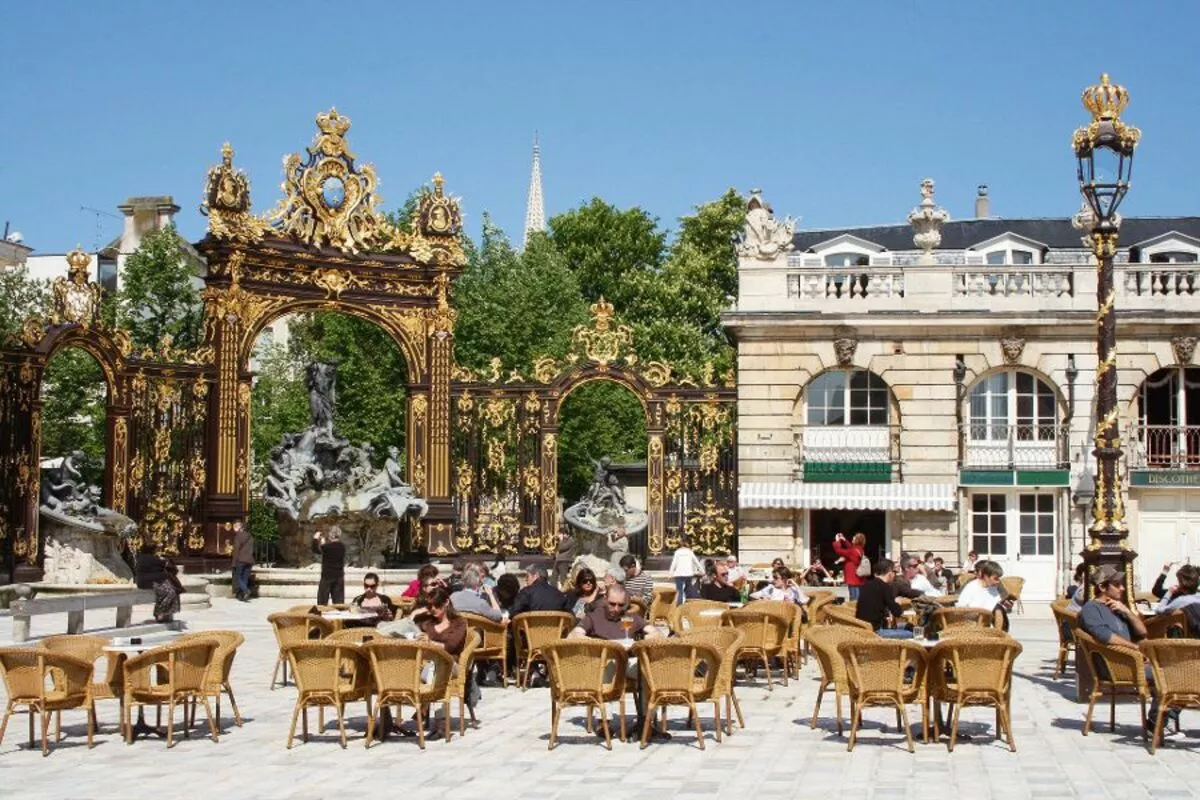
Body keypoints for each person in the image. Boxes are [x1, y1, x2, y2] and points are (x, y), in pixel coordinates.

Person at [569, 584, 662, 641]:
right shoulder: (594, 616)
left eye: (621, 605)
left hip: (627, 661)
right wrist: (602, 644)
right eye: (612, 604)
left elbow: (658, 634)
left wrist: (641, 639)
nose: (616, 609)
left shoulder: (630, 617)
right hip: (602, 661)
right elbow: (573, 635)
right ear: (605, 599)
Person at [855, 558, 911, 638]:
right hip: (875, 631)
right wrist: (897, 603)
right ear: (890, 573)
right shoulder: (885, 587)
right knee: (912, 633)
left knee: (906, 626)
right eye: (894, 572)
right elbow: (897, 613)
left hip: (861, 628)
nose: (895, 575)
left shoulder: (866, 585)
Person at [136, 543, 181, 623]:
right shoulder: (148, 558)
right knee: (170, 591)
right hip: (149, 582)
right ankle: (159, 612)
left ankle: (164, 613)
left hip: (147, 581)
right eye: (155, 549)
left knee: (170, 589)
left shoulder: (143, 558)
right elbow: (163, 565)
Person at [312, 527, 346, 605]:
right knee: (339, 602)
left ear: (331, 536)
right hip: (339, 576)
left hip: (327, 576)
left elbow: (315, 549)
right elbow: (330, 549)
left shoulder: (327, 547)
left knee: (322, 601)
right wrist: (324, 544)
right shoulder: (342, 547)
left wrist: (315, 539)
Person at [833, 532, 868, 600]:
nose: (853, 537)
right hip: (857, 577)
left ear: (857, 540)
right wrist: (844, 540)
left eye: (854, 537)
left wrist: (837, 541)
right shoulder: (859, 549)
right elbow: (851, 548)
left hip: (853, 578)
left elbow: (839, 551)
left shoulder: (853, 551)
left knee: (854, 599)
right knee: (856, 597)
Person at [668, 538, 703, 604]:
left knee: (679, 591)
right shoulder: (690, 552)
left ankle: (679, 605)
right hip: (688, 574)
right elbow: (696, 562)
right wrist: (702, 571)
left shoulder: (677, 552)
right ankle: (689, 604)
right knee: (688, 590)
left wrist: (670, 574)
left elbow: (673, 563)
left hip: (679, 574)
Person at [230, 520, 254, 603]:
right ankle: (242, 596)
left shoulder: (239, 536)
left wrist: (234, 562)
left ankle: (246, 590)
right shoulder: (251, 537)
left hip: (240, 559)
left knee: (238, 577)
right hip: (249, 560)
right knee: (245, 578)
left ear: (242, 528)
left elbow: (236, 550)